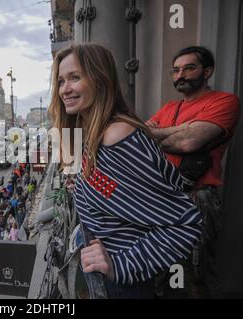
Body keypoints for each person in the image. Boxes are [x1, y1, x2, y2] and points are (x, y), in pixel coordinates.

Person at [48, 43, 202, 299]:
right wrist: (84, 186)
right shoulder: (89, 133)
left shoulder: (116, 136)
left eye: (75, 77)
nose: (65, 89)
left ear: (100, 79)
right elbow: (116, 189)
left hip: (125, 283)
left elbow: (185, 223)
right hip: (104, 273)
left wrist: (119, 266)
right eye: (61, 80)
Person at [145, 46, 240, 298]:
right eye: (176, 70)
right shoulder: (169, 107)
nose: (180, 75)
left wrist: (166, 134)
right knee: (156, 269)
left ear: (207, 71)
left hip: (196, 199)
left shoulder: (225, 101)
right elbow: (143, 137)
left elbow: (190, 143)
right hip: (161, 197)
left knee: (197, 274)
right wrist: (183, 130)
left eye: (189, 68)